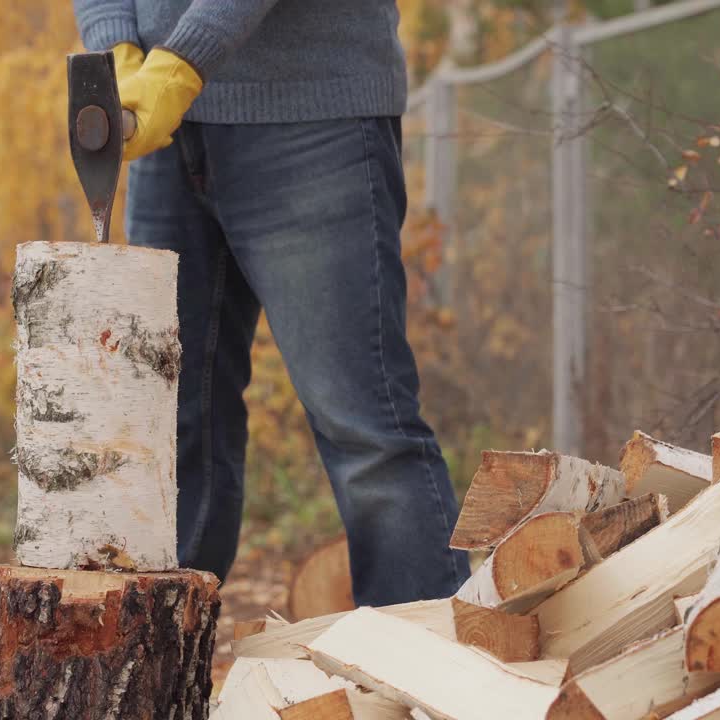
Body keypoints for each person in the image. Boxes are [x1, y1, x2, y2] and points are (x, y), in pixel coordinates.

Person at [72, 0, 471, 606]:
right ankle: (159, 675)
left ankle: (420, 671)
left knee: (363, 430)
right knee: (171, 424)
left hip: (311, 115)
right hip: (162, 128)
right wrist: (117, 49)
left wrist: (182, 61)